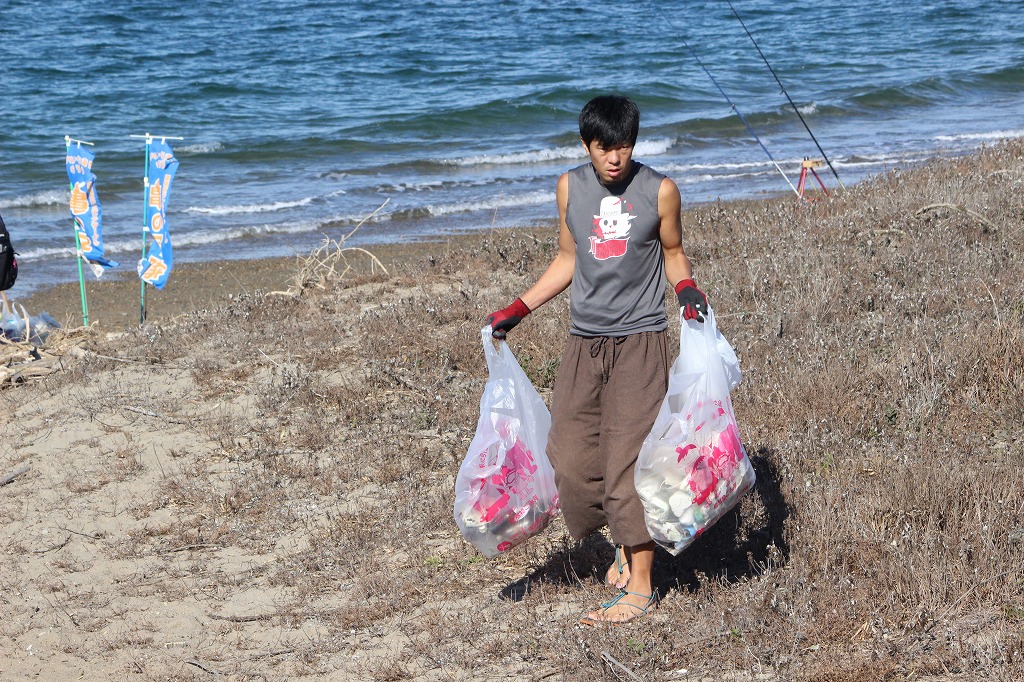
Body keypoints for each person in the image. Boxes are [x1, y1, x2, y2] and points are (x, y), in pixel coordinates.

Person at [486, 95, 708, 625]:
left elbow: (673, 252)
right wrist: (518, 309)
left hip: (640, 342)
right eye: (604, 147)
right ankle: (623, 543)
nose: (615, 158)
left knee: (627, 460)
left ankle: (642, 585)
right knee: (571, 456)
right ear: (587, 145)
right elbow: (568, 258)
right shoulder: (570, 187)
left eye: (624, 146)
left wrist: (686, 289)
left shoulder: (659, 190)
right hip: (583, 343)